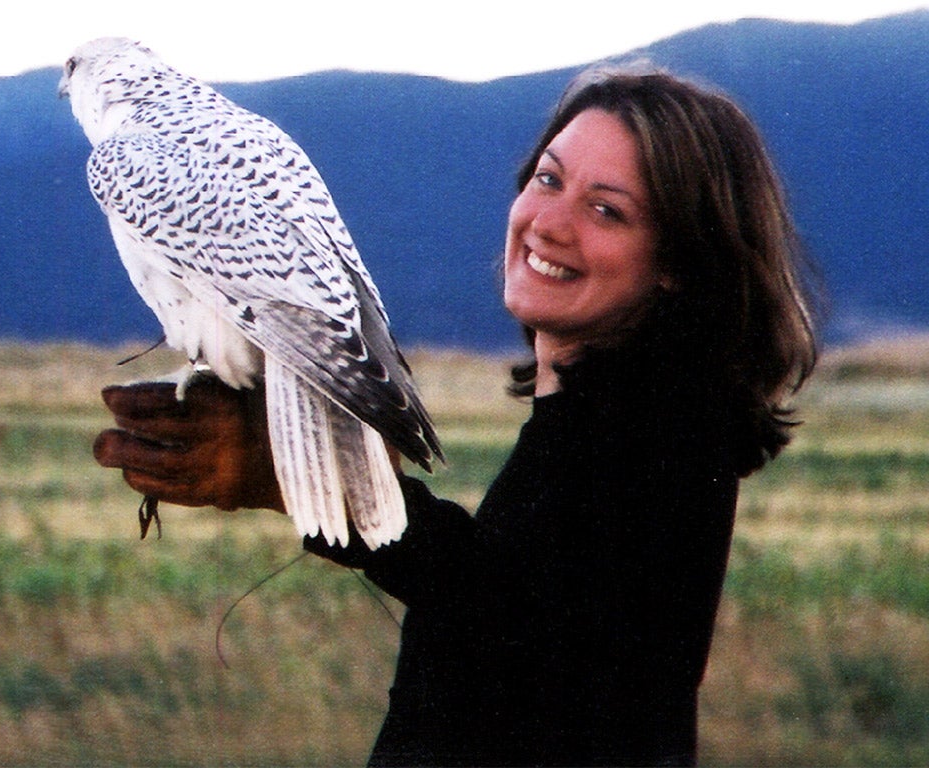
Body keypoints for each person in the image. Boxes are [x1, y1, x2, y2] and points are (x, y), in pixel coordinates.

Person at [93, 65, 818, 766]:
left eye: (607, 210)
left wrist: (325, 483)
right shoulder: (598, 424)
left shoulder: (662, 434)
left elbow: (543, 651)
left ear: (678, 262)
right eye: (547, 179)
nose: (550, 223)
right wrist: (327, 479)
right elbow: (515, 613)